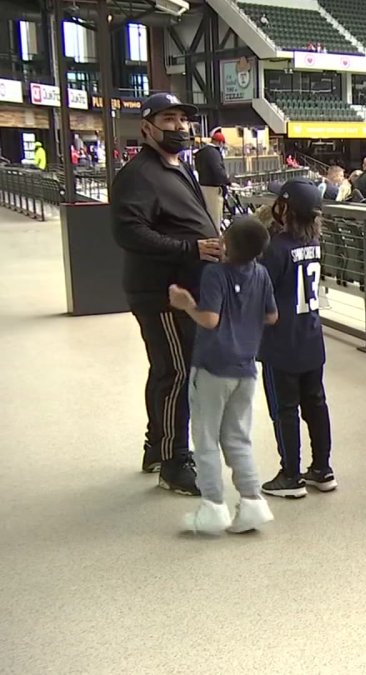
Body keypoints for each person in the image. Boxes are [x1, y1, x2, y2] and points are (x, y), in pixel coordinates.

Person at [111, 92, 222, 496]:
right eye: (169, 119)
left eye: (183, 119)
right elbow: (129, 232)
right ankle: (175, 461)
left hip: (184, 289)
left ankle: (156, 446)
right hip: (161, 291)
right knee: (177, 371)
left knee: (165, 369)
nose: (179, 127)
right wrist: (191, 248)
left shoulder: (178, 167)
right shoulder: (138, 174)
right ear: (147, 127)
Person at [167, 216, 278, 534]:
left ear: (226, 245)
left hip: (212, 367)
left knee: (205, 439)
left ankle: (213, 506)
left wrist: (186, 305)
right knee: (238, 439)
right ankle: (252, 502)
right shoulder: (262, 273)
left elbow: (210, 319)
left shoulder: (214, 273)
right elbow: (272, 316)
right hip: (245, 368)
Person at [257, 179, 337, 499]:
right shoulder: (315, 243)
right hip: (311, 338)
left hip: (281, 344)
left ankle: (290, 474)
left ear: (285, 208)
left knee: (285, 409)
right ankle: (322, 468)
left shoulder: (274, 249)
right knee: (316, 404)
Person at [194, 128, 231, 229]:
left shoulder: (200, 152)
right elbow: (218, 170)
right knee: (215, 218)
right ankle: (214, 241)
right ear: (220, 142)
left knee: (206, 216)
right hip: (213, 189)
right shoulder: (214, 153)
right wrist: (228, 182)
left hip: (202, 186)